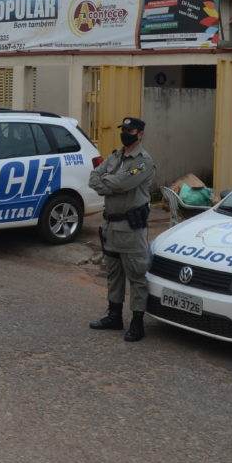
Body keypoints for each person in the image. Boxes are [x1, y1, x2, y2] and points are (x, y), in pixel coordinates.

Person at [88, 117, 157, 342]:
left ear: (140, 134)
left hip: (130, 228)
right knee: (114, 274)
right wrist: (111, 180)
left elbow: (121, 184)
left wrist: (109, 181)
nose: (126, 133)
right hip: (110, 226)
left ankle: (137, 323)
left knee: (136, 276)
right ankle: (114, 316)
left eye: (131, 130)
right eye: (124, 129)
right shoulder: (116, 156)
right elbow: (93, 179)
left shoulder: (143, 161)